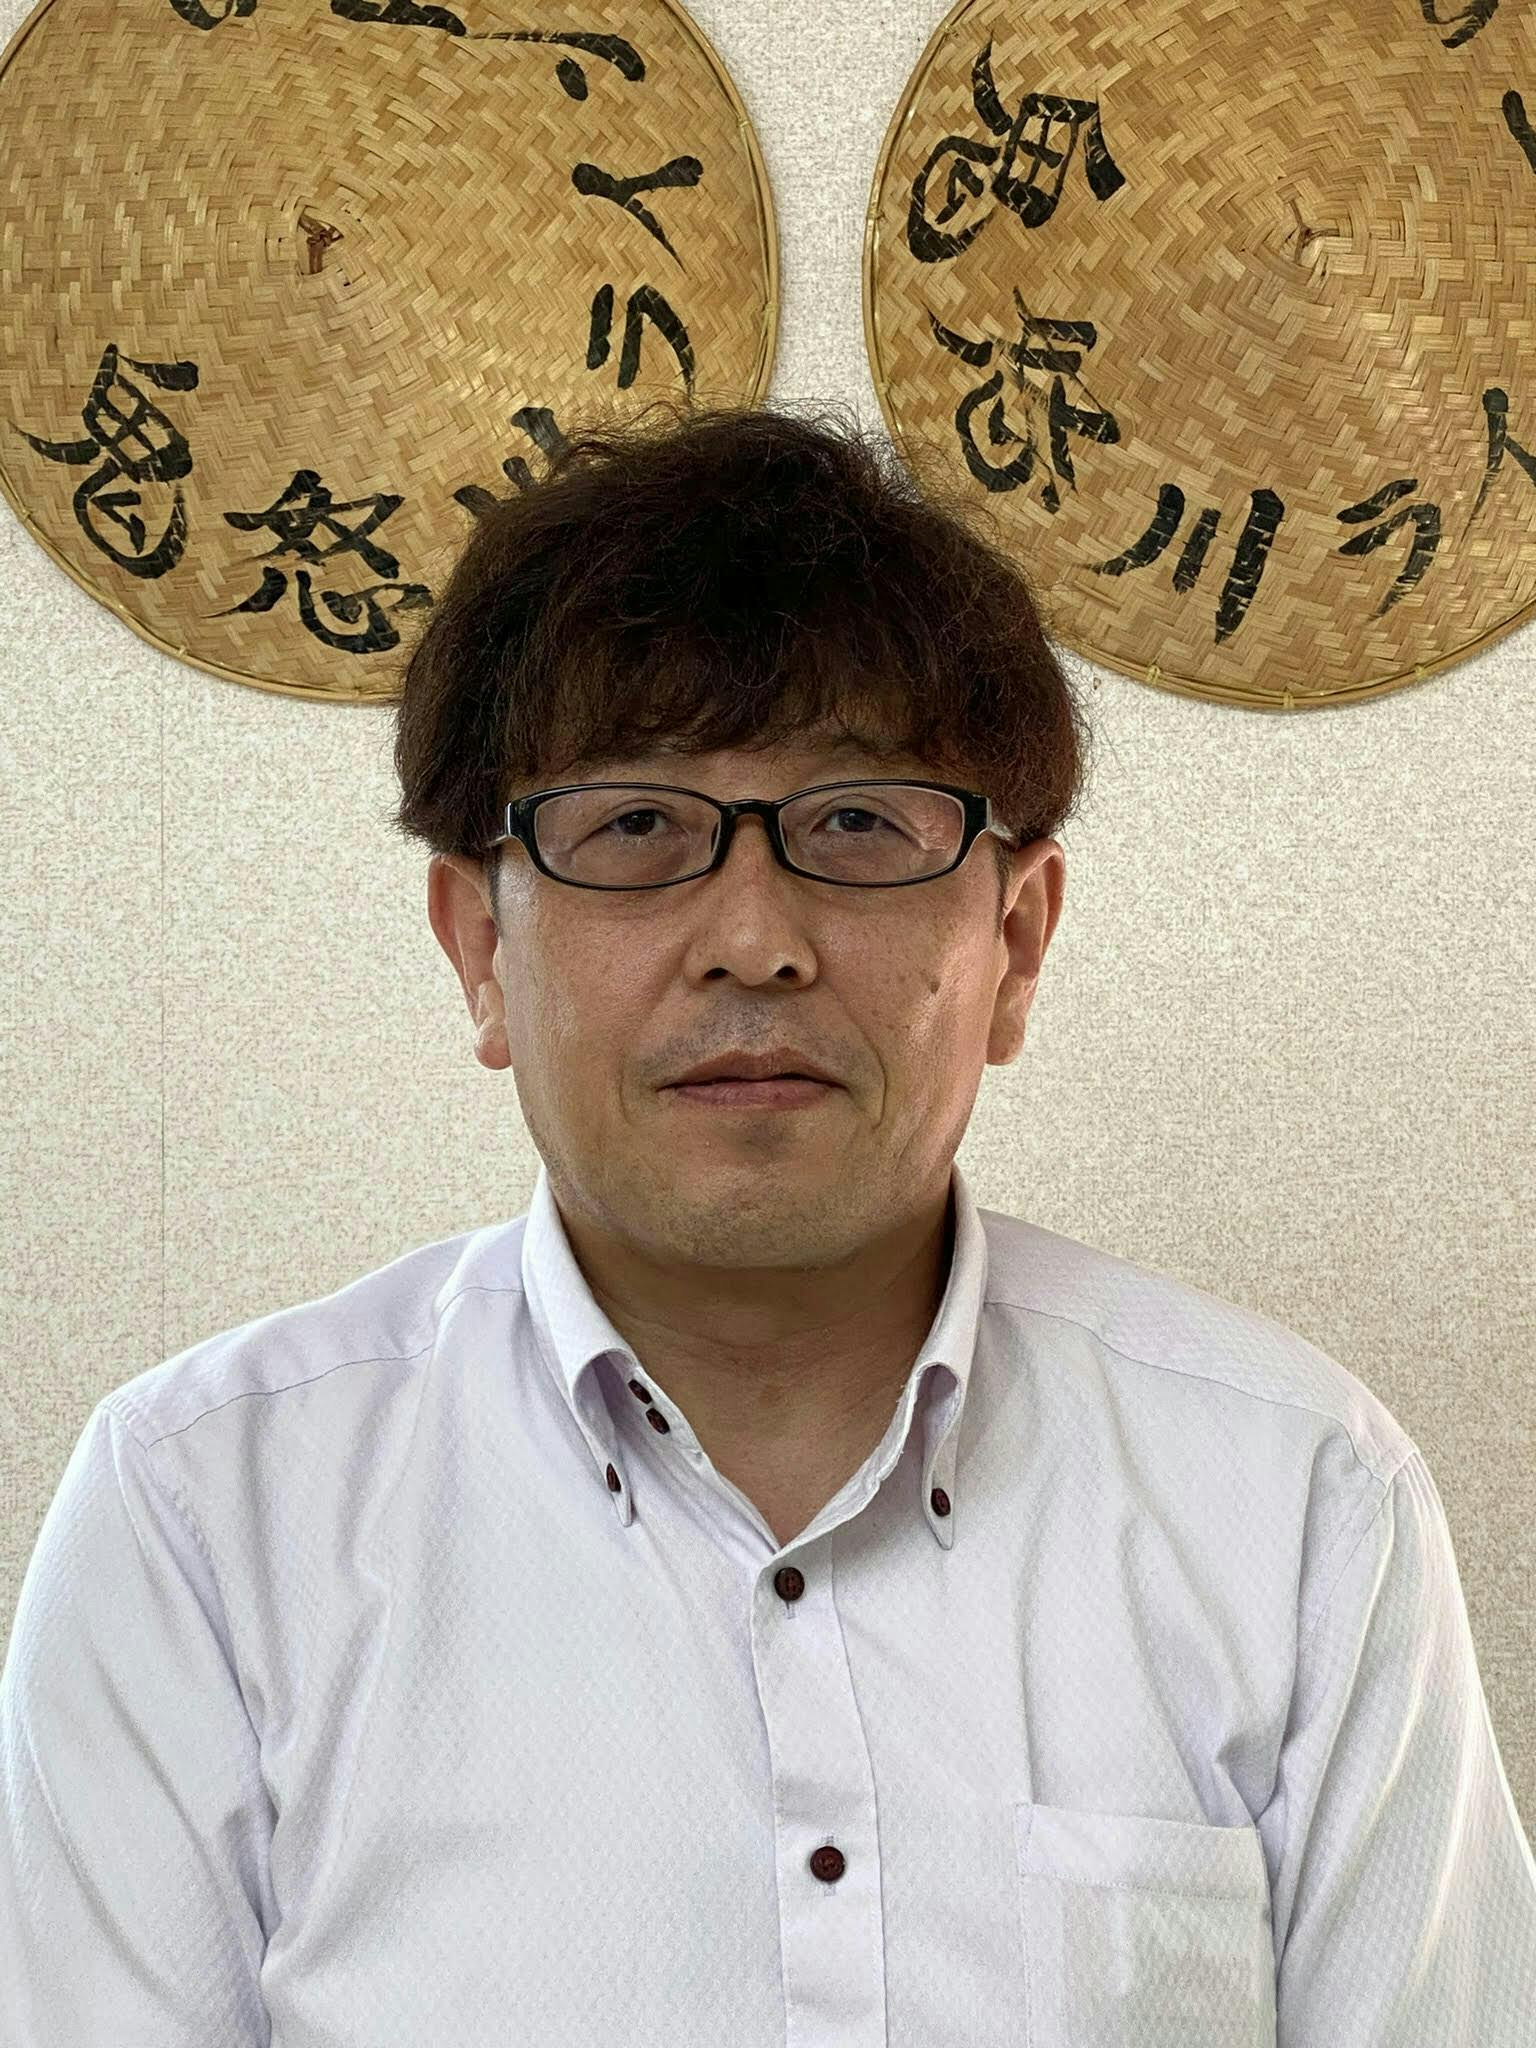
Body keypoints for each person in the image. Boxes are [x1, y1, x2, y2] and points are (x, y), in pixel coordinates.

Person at [2, 401, 1532, 2046]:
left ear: (1016, 943)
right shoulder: (206, 1518)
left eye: (856, 823)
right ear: (479, 950)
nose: (754, 939)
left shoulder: (1296, 1497)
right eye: (636, 826)